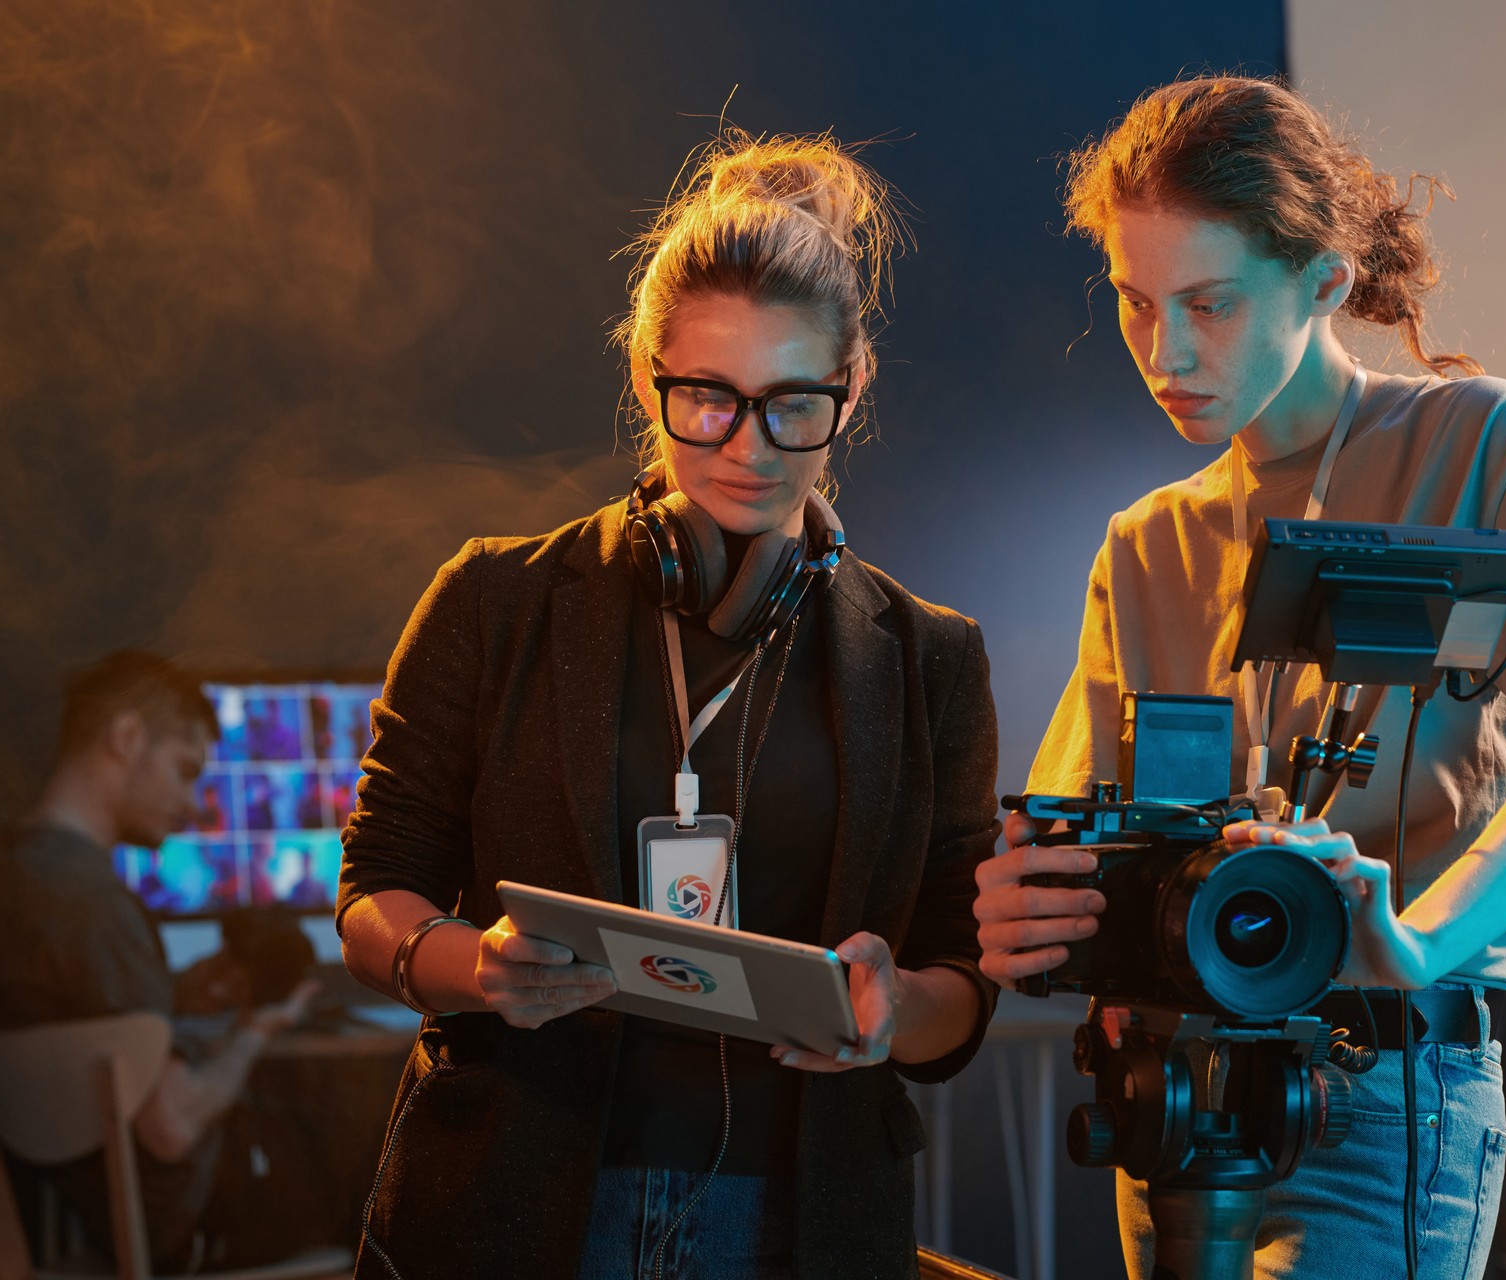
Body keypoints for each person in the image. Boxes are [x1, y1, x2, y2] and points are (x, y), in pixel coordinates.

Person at [973, 76, 1506, 1279]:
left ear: (1323, 282)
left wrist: (1422, 937)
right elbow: (1078, 825)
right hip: (1174, 1088)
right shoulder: (1147, 539)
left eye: (1209, 305)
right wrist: (1023, 904)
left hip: (1383, 1083)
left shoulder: (1479, 442)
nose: (1166, 351)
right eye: (1135, 301)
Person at [335, 131, 999, 1280]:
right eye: (708, 401)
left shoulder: (926, 655)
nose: (748, 447)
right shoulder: (497, 603)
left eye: (795, 404)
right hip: (513, 1203)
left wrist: (893, 1012)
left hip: (803, 1220)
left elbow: (961, 971)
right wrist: (470, 963)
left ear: (854, 386)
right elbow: (373, 890)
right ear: (649, 378)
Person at [0, 650, 321, 1271]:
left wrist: (166, 996)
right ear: (125, 737)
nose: (195, 802)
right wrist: (255, 1030)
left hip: (60, 1215)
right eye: (184, 770)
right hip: (172, 1231)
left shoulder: (18, 876)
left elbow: (77, 1024)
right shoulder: (96, 906)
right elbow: (169, 1126)